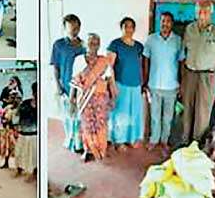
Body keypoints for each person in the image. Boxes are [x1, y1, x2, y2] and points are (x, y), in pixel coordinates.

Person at [182, 0, 215, 144]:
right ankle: (185, 141)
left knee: (203, 111)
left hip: (208, 75)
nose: (202, 15)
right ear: (196, 13)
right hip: (190, 73)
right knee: (187, 108)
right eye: (199, 12)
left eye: (205, 12)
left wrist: (213, 71)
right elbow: (185, 52)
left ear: (211, 13)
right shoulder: (189, 29)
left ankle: (197, 144)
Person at [69, 33, 118, 162]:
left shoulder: (104, 61)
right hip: (84, 99)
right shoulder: (79, 60)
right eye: (91, 43)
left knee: (101, 125)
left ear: (99, 45)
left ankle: (101, 150)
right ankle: (88, 150)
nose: (93, 46)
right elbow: (74, 82)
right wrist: (71, 100)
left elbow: (110, 80)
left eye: (96, 43)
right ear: (85, 44)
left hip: (101, 98)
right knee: (87, 125)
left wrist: (113, 97)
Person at [143, 12, 185, 153]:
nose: (164, 24)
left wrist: (181, 83)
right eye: (162, 21)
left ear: (171, 24)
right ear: (159, 22)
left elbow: (182, 62)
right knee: (155, 116)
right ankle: (154, 140)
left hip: (172, 86)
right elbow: (146, 60)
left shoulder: (178, 40)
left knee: (168, 117)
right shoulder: (151, 39)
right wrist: (146, 80)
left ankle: (164, 141)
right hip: (154, 84)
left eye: (167, 21)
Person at [107, 17, 145, 151]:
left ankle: (132, 138)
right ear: (121, 28)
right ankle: (119, 140)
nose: (128, 29)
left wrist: (142, 83)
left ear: (134, 29)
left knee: (134, 113)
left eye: (131, 27)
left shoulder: (139, 46)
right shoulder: (115, 44)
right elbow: (109, 66)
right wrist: (112, 85)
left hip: (135, 85)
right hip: (120, 84)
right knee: (121, 113)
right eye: (126, 26)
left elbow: (140, 65)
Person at [50, 14, 86, 152]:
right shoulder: (58, 45)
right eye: (71, 27)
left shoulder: (84, 45)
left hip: (81, 87)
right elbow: (55, 66)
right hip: (65, 86)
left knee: (79, 117)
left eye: (76, 27)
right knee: (67, 117)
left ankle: (78, 143)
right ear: (65, 28)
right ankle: (70, 140)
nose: (74, 30)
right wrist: (57, 86)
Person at [14, 82, 38, 182]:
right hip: (23, 133)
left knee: (34, 157)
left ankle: (34, 173)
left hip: (34, 135)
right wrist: (15, 127)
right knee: (19, 154)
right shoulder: (25, 104)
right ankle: (19, 170)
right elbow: (17, 116)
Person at [0, 90, 21, 169]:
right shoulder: (7, 108)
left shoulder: (20, 109)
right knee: (6, 147)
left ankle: (19, 165)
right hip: (7, 129)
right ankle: (6, 162)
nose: (13, 99)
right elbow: (2, 117)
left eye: (14, 97)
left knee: (16, 147)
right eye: (11, 97)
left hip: (16, 130)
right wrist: (4, 121)